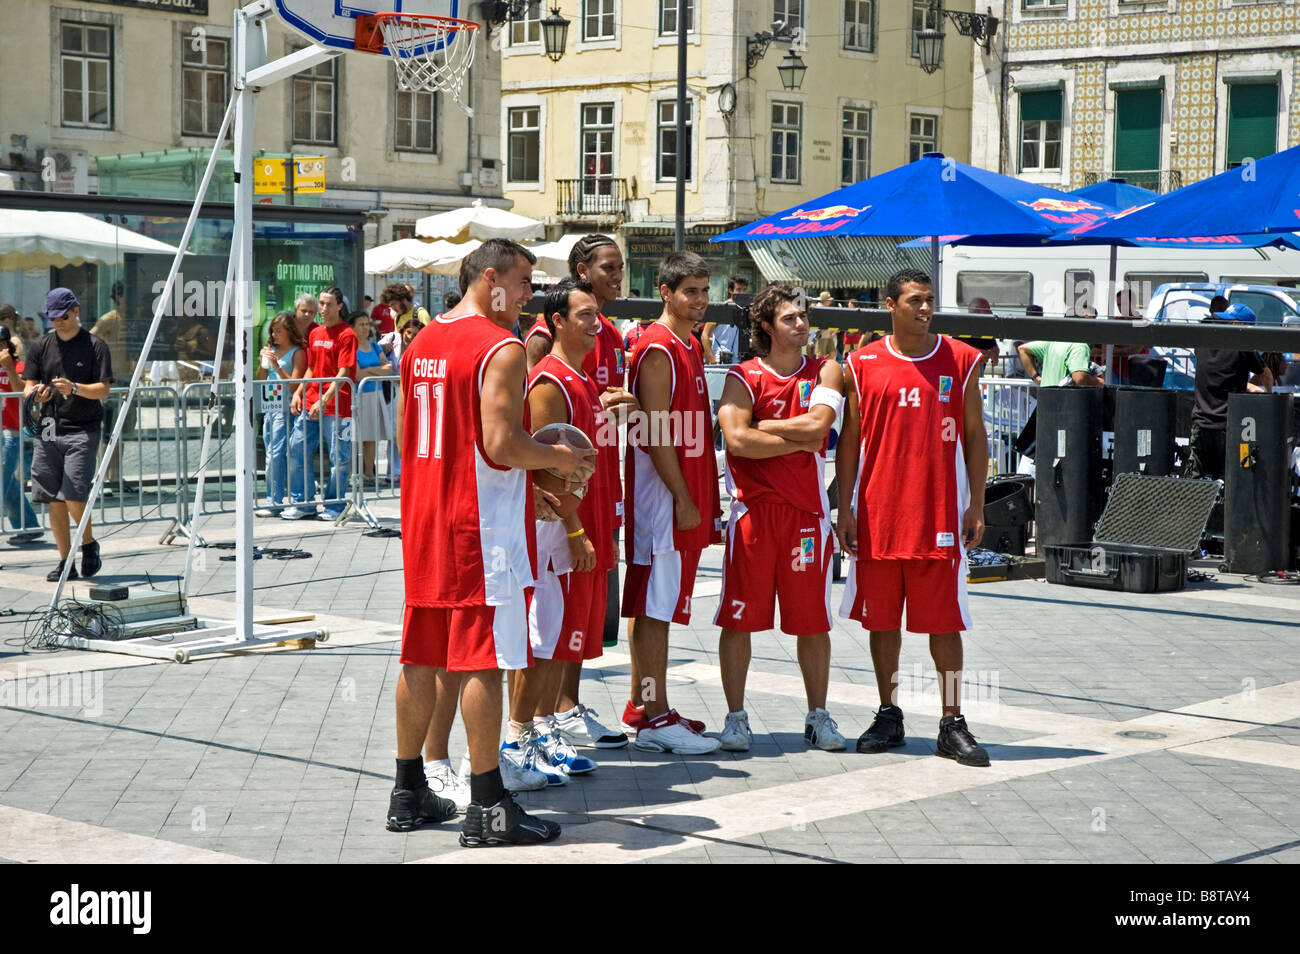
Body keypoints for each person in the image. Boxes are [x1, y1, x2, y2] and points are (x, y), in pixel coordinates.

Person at [390, 238, 594, 845]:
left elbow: (416, 432)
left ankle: (408, 791)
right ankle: (488, 805)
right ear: (490, 278)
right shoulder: (499, 346)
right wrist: (561, 458)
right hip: (476, 525)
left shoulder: (423, 340)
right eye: (525, 280)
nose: (530, 294)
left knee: (422, 651)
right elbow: (501, 444)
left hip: (424, 513)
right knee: (484, 654)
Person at [836, 269, 991, 767]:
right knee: (882, 623)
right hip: (878, 513)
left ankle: (952, 721)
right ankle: (889, 713)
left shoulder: (962, 359)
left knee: (944, 624)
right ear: (891, 305)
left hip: (939, 514)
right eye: (915, 300)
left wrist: (977, 503)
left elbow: (975, 435)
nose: (925, 308)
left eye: (930, 300)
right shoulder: (860, 364)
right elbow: (850, 442)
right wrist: (844, 508)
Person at [714, 282, 847, 751]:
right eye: (790, 318)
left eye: (804, 316)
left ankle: (819, 716)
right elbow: (736, 441)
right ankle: (735, 718)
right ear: (766, 326)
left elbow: (818, 430)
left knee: (813, 622)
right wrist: (791, 437)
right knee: (739, 621)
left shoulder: (827, 369)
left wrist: (762, 425)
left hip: (807, 516)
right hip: (753, 513)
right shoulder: (743, 375)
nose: (802, 324)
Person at [621, 251, 722, 753]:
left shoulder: (688, 344)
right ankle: (654, 717)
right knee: (655, 608)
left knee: (654, 605)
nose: (702, 300)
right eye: (691, 291)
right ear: (666, 292)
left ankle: (642, 705)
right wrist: (683, 496)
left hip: (678, 492)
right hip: (660, 498)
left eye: (706, 290)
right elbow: (656, 435)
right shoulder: (657, 348)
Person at [22, 288, 112, 582]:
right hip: (48, 426)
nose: (57, 322)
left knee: (73, 491)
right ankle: (65, 561)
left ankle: (87, 543)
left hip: (82, 427)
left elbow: (103, 390)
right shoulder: (41, 346)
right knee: (53, 498)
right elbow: (28, 386)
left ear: (76, 312)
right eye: (52, 317)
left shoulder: (95, 345)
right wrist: (38, 393)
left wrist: (74, 388)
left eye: (62, 316)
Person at [286, 287, 357, 521]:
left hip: (338, 406)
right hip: (311, 401)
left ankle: (335, 505)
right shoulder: (315, 334)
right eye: (322, 304)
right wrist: (298, 392)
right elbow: (311, 368)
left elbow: (343, 371)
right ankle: (303, 503)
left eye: (328, 304)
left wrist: (324, 400)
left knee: (340, 457)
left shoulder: (347, 334)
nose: (323, 309)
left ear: (339, 306)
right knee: (296, 449)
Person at [1185, 302, 1273, 481]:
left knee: (1196, 486)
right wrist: (1269, 396)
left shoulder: (1203, 339)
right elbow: (1266, 375)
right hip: (1229, 427)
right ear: (1238, 324)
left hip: (1200, 425)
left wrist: (1245, 384)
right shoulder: (1241, 343)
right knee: (1233, 483)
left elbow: (1216, 372)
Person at [254, 312, 306, 516]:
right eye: (273, 331)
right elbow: (261, 377)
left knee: (278, 454)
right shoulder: (272, 350)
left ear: (289, 332)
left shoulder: (297, 352)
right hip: (270, 406)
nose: (274, 335)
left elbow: (295, 385)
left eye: (278, 331)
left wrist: (277, 366)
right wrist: (263, 363)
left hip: (286, 407)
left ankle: (277, 500)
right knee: (270, 454)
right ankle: (273, 498)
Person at [0, 325, 40, 542]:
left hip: (10, 432)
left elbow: (22, 393)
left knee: (2, 483)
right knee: (8, 486)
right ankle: (29, 526)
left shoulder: (18, 366)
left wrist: (9, 368)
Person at [349, 310, 394, 481]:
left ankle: (369, 473)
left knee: (372, 436)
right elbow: (357, 375)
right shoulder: (351, 348)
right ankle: (355, 473)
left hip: (376, 394)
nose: (365, 328)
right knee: (356, 435)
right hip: (358, 396)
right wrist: (376, 371)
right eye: (361, 324)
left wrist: (368, 371)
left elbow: (388, 368)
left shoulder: (375, 346)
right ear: (352, 327)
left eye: (367, 324)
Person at [1017, 338, 1103, 388]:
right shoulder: (1080, 345)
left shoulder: (1052, 342)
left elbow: (1022, 349)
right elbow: (1080, 379)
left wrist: (1036, 378)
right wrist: (1097, 382)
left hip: (1045, 403)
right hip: (1065, 407)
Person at [702, 275, 748, 364]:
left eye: (744, 290)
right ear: (730, 290)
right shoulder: (719, 309)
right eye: (738, 290)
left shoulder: (746, 311)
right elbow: (705, 336)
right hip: (720, 360)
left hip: (739, 362)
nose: (742, 293)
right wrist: (713, 361)